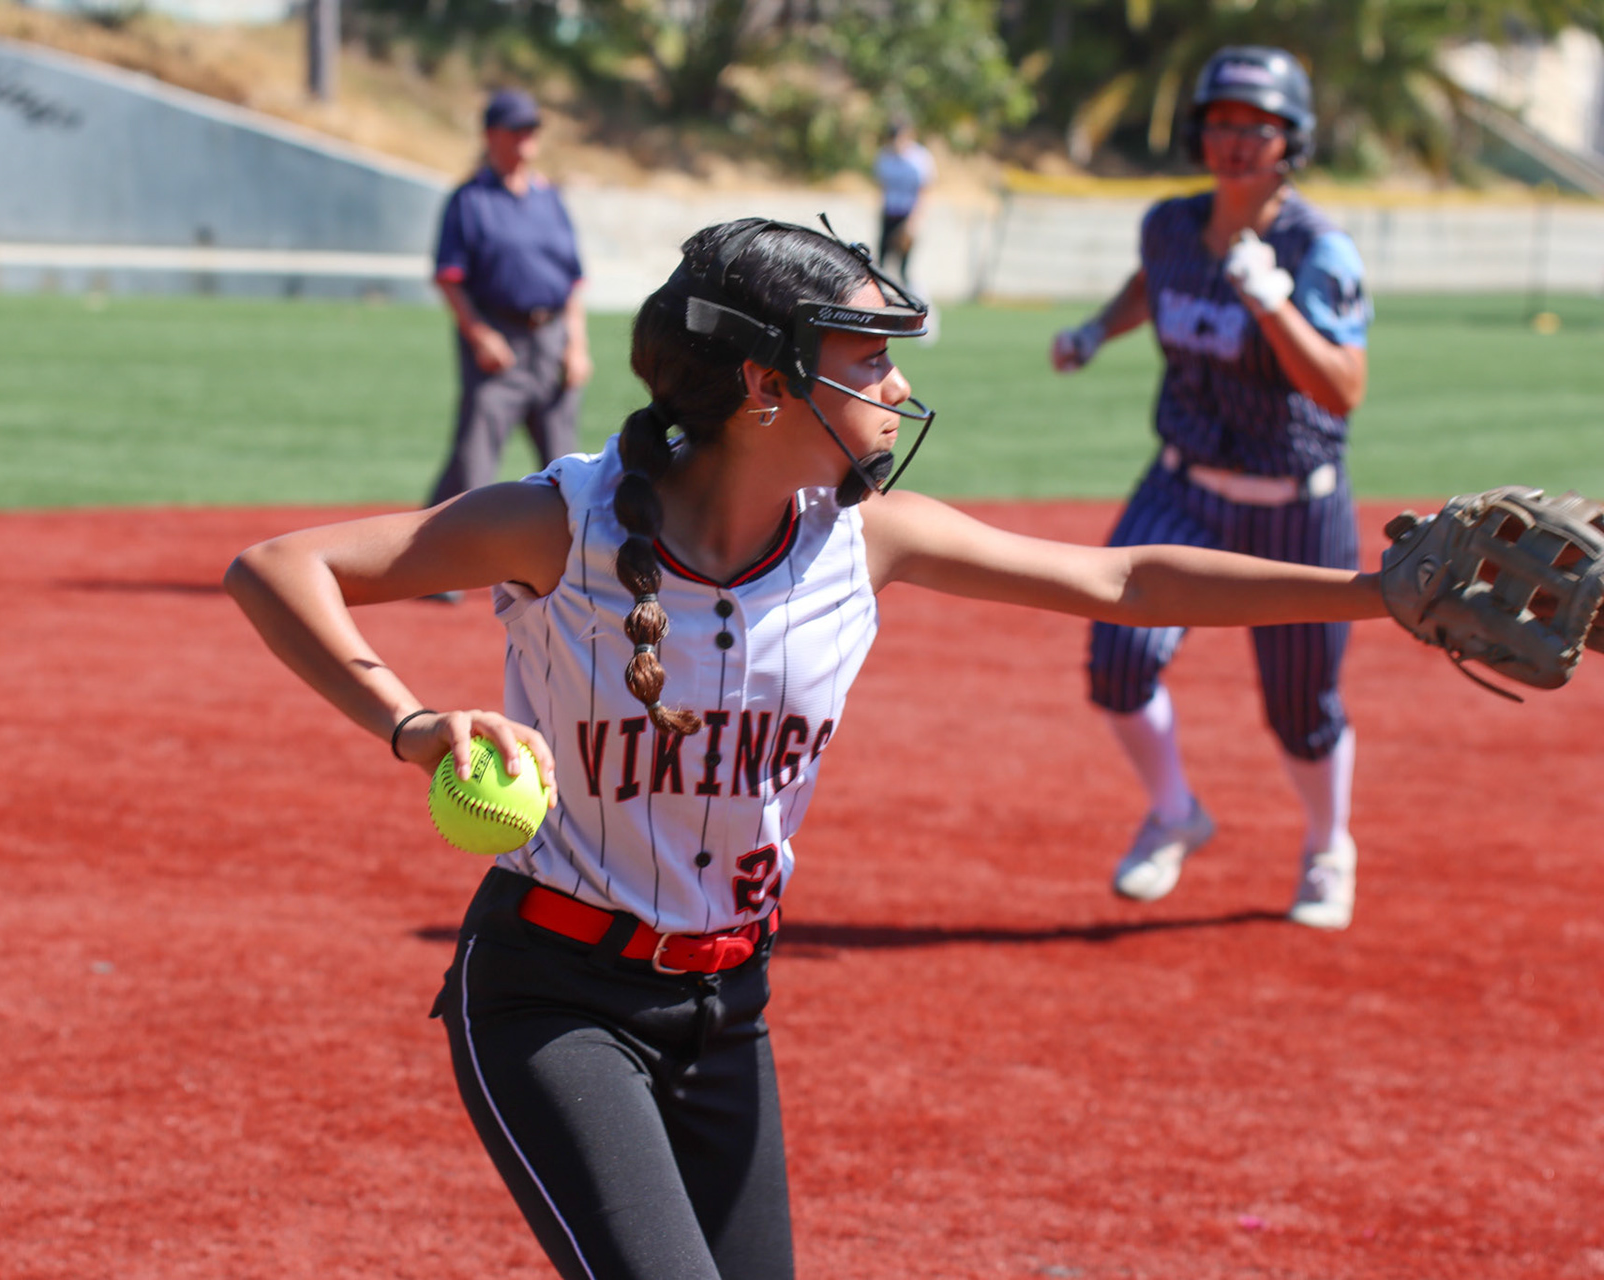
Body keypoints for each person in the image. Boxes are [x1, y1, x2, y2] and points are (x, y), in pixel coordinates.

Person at [226, 216, 1389, 1279]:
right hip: (554, 1000)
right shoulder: (563, 523)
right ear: (766, 383)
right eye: (869, 357)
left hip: (729, 1006)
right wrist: (415, 724)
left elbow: (1124, 580)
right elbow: (279, 567)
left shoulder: (865, 539)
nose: (899, 383)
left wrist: (1378, 593)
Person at [1048, 46, 1374, 930]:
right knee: (1117, 661)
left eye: (1257, 127)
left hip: (1294, 503)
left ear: (1291, 140)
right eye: (1222, 122)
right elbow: (1151, 284)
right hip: (1184, 487)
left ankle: (1327, 847)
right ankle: (1174, 812)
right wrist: (1095, 331)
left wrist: (1274, 303)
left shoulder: (1317, 248)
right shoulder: (1170, 223)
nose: (1235, 141)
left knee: (1300, 706)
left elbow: (1343, 389)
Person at [427, 87, 593, 515]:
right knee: (473, 463)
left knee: (568, 467)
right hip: (499, 340)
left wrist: (577, 346)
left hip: (552, 340)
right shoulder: (470, 200)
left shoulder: (548, 197)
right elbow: (449, 277)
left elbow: (572, 282)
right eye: (516, 128)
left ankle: (568, 557)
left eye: (531, 128)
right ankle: (437, 554)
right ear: (490, 135)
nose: (526, 136)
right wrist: (479, 334)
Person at [872, 116, 934, 286]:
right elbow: (882, 187)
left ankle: (915, 299)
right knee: (881, 264)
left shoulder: (919, 158)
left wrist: (914, 221)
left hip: (907, 215)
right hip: (889, 213)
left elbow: (924, 192)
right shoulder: (884, 156)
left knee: (904, 269)